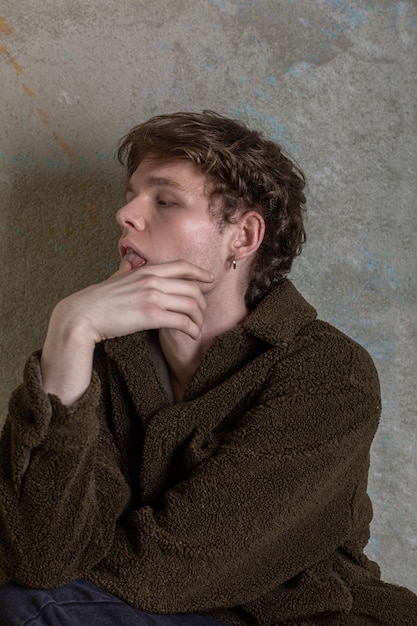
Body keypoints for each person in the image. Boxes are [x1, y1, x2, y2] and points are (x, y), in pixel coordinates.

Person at [0, 111, 416, 626]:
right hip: (127, 608)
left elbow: (174, 572)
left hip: (296, 617)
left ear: (242, 237)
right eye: (131, 195)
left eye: (165, 200)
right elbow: (39, 555)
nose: (126, 214)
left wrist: (56, 571)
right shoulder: (104, 360)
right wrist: (69, 333)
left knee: (28, 606)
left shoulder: (328, 371)